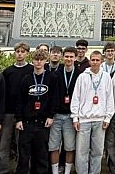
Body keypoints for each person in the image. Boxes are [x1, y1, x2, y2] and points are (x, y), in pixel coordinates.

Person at [71, 51, 114, 174]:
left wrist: (107, 118)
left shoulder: (106, 77)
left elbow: (109, 98)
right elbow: (76, 98)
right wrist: (75, 117)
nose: (95, 62)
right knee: (81, 152)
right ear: (89, 61)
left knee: (97, 151)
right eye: (93, 60)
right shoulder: (82, 77)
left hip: (100, 120)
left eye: (97, 60)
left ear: (101, 61)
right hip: (84, 119)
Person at [15, 49, 56, 174]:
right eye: (36, 59)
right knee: (23, 155)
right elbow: (20, 100)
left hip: (43, 122)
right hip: (27, 122)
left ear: (45, 61)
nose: (38, 62)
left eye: (41, 60)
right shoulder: (26, 79)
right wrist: (19, 119)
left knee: (41, 155)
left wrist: (51, 116)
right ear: (32, 61)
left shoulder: (51, 78)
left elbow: (54, 98)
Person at [0, 42, 34, 174]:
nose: (20, 54)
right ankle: (1, 170)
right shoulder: (8, 71)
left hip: (25, 114)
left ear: (27, 54)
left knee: (23, 145)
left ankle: (22, 170)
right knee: (4, 144)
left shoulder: (31, 69)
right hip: (8, 113)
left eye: (22, 52)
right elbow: (2, 93)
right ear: (14, 53)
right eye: (18, 51)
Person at [49, 46, 79, 174]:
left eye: (71, 57)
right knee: (54, 147)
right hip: (56, 116)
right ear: (62, 57)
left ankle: (67, 171)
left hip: (70, 116)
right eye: (66, 56)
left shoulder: (79, 75)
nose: (69, 59)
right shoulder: (55, 74)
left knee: (70, 147)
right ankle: (55, 172)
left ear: (75, 58)